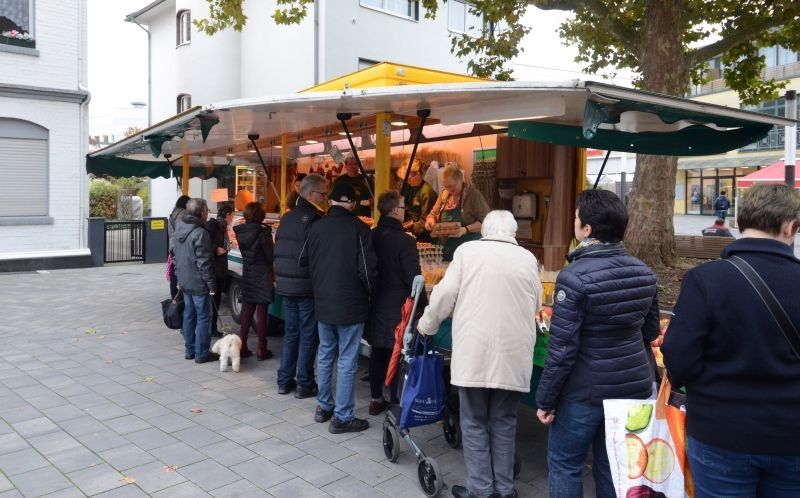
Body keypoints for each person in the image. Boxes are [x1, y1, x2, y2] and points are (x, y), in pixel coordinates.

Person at [661, 183, 800, 498]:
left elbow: (678, 356)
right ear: (790, 226)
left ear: (737, 221)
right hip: (792, 436)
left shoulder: (706, 279)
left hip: (719, 430)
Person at [535, 189, 659, 498]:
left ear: (587, 229)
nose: (574, 223)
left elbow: (562, 349)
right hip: (632, 389)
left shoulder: (573, 277)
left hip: (584, 392)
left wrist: (546, 399)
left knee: (565, 464)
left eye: (576, 219)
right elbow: (651, 331)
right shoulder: (645, 273)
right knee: (614, 467)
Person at [418, 210, 542, 498]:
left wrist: (427, 325)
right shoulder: (527, 259)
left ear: (485, 230)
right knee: (504, 420)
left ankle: (481, 490)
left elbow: (445, 295)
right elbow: (535, 303)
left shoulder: (467, 251)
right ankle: (505, 489)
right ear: (512, 232)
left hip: (475, 351)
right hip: (513, 354)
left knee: (473, 421)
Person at [303, 182, 378, 434]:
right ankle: (343, 416)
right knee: (346, 359)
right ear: (353, 205)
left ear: (330, 201)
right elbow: (367, 271)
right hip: (351, 304)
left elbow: (304, 261)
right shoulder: (360, 229)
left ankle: (324, 407)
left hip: (323, 302)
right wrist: (371, 293)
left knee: (325, 354)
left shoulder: (316, 227)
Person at [366, 191, 424, 416]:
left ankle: (375, 399)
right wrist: (424, 305)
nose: (404, 210)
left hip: (376, 300)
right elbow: (414, 278)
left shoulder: (372, 235)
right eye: (403, 207)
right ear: (395, 211)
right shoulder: (405, 241)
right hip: (399, 305)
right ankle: (395, 400)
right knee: (398, 352)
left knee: (378, 351)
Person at [274, 173, 327, 398]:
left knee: (291, 333)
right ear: (310, 193)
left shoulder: (287, 218)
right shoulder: (315, 220)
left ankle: (284, 381)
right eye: (323, 194)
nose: (326, 198)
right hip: (306, 287)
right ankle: (304, 383)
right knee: (307, 335)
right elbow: (319, 257)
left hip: (286, 286)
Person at [173, 198, 219, 364]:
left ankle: (190, 350)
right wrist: (212, 284)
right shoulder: (201, 233)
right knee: (203, 317)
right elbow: (204, 263)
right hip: (199, 283)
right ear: (201, 213)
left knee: (189, 315)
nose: (208, 213)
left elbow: (176, 257)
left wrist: (179, 278)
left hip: (185, 280)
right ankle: (201, 353)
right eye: (207, 210)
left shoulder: (179, 227)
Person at [233, 202, 274, 360]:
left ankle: (242, 346)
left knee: (247, 310)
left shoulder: (241, 232)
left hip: (248, 273)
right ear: (261, 215)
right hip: (262, 274)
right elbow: (270, 256)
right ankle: (261, 349)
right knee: (262, 313)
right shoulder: (263, 233)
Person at [424, 165, 490, 261]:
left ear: (460, 179)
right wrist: (430, 222)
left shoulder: (473, 195)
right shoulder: (444, 194)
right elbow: (433, 214)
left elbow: (486, 222)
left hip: (467, 251)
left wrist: (465, 230)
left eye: (451, 186)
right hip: (446, 249)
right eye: (446, 186)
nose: (449, 190)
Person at [207, 204, 234, 338]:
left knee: (216, 300)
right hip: (214, 268)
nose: (233, 219)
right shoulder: (213, 225)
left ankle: (212, 327)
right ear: (228, 214)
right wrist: (215, 248)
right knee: (213, 300)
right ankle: (210, 328)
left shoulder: (222, 227)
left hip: (219, 268)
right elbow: (204, 242)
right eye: (232, 215)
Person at [396, 160, 436, 240]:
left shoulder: (427, 192)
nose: (407, 182)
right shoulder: (409, 187)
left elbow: (425, 220)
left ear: (418, 174)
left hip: (422, 237)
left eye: (409, 179)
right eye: (405, 180)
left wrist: (408, 229)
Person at [168, 195, 190, 299]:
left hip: (172, 246)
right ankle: (178, 298)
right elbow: (183, 232)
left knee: (174, 273)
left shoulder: (173, 213)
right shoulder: (184, 214)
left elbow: (170, 233)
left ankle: (174, 297)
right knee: (180, 273)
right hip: (180, 247)